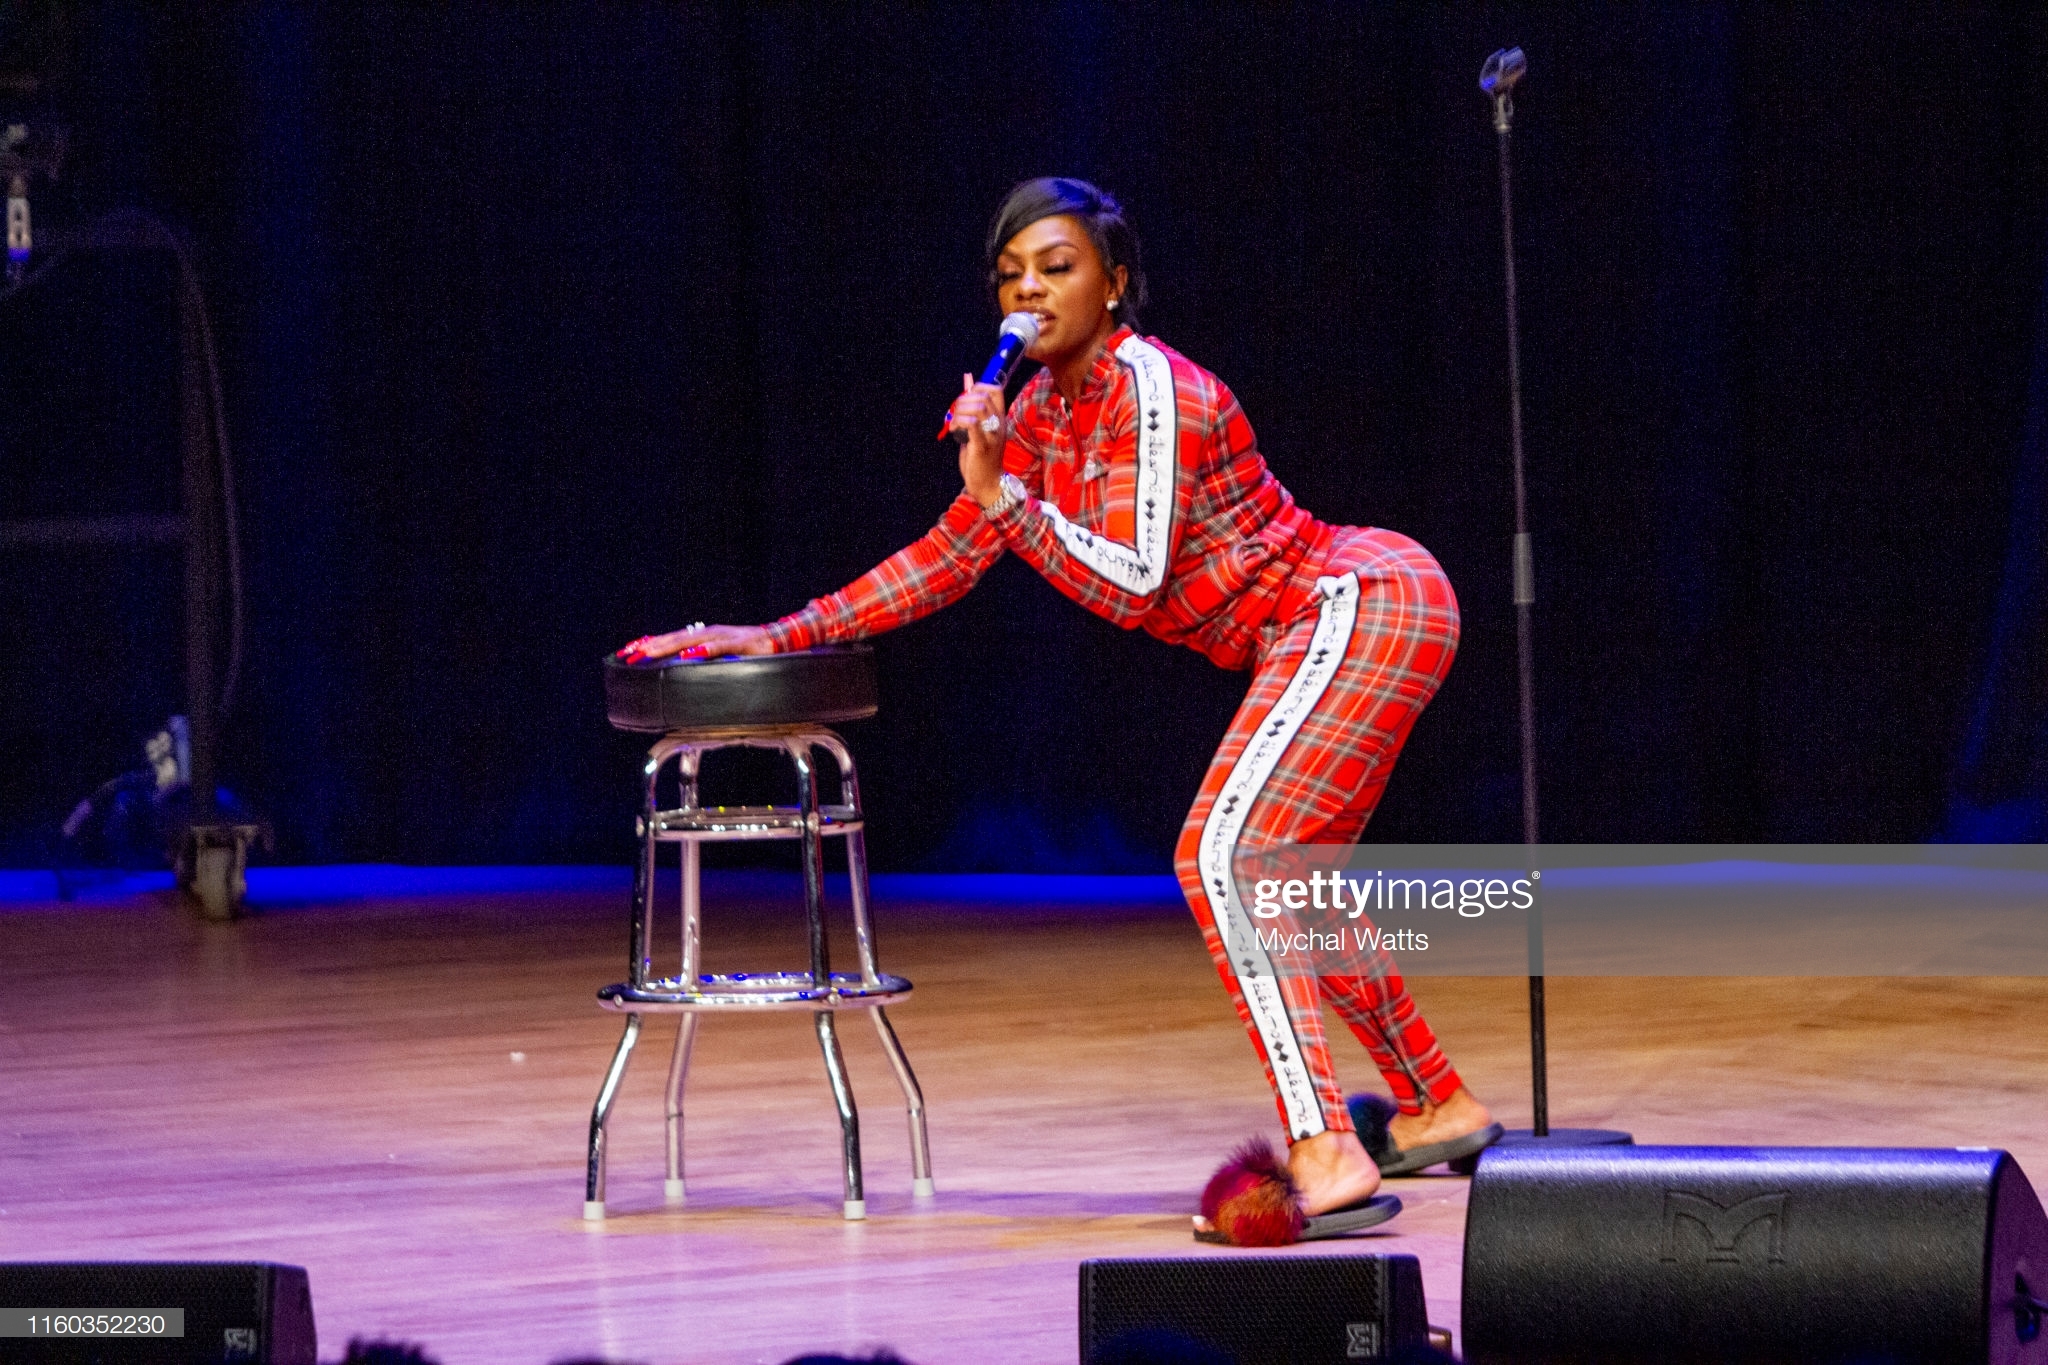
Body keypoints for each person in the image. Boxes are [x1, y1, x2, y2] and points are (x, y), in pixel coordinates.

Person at [621, 177, 1497, 1243]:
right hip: (1313, 630)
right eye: (1009, 275)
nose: (1027, 290)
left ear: (1114, 283)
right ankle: (1437, 1104)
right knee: (1288, 880)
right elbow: (948, 556)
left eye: (1056, 266)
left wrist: (1004, 494)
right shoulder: (1037, 414)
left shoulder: (1150, 383)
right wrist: (779, 632)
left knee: (1222, 855)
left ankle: (1321, 1148)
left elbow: (1132, 575)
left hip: (1360, 600)